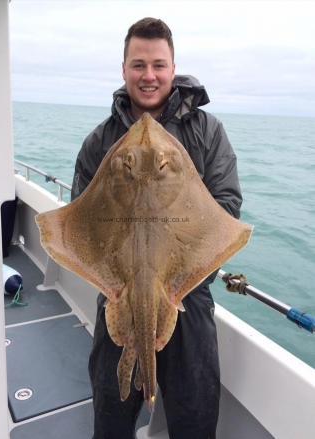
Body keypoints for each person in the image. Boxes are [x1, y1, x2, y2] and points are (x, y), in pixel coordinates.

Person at [71, 17, 242, 439]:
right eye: (139, 64)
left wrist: (178, 275)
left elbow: (226, 205)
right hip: (120, 293)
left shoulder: (206, 131)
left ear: (173, 67)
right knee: (111, 414)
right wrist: (116, 281)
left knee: (195, 413)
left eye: (159, 65)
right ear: (124, 68)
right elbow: (78, 218)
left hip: (186, 292)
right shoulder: (102, 140)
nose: (149, 76)